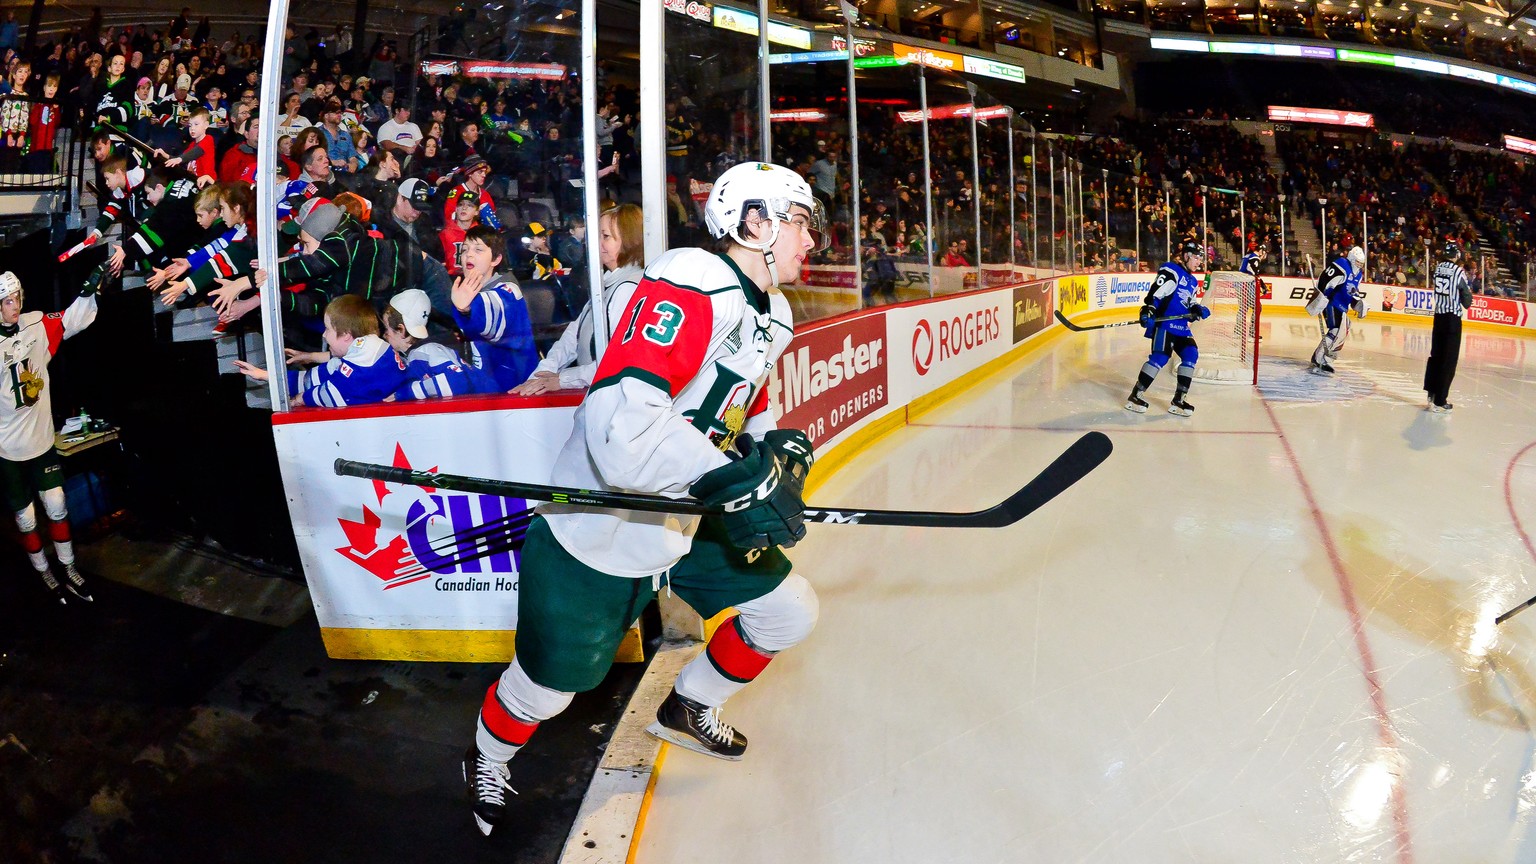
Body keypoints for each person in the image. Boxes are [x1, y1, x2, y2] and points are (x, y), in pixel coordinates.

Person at [462, 161, 825, 836]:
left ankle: (688, 706)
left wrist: (775, 452)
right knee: (547, 691)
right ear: (755, 222)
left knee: (788, 611)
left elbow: (749, 407)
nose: (811, 240)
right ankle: (486, 756)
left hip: (683, 514)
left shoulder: (771, 312)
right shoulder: (694, 278)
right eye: (800, 222)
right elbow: (619, 418)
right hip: (602, 520)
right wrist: (727, 482)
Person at [0, 267, 107, 604]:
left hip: (42, 440)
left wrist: (89, 292)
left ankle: (69, 566)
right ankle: (42, 569)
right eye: (5, 301)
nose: (13, 305)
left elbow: (70, 320)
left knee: (58, 503)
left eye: (16, 297)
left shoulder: (35, 323)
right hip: (7, 447)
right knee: (26, 517)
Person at [511, 203, 644, 396]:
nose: (596, 243)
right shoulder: (610, 282)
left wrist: (563, 379)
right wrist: (544, 372)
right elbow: (576, 333)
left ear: (629, 241)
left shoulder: (629, 289)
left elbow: (620, 362)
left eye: (605, 236)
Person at [234, 294, 407, 407]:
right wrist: (265, 375)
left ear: (346, 335)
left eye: (328, 329)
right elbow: (310, 379)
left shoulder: (368, 352)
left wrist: (303, 398)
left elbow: (335, 394)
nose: (324, 335)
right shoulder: (355, 355)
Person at [1125, 238, 1210, 416]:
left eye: (1200, 259)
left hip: (1181, 327)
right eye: (1196, 258)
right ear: (1186, 256)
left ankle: (1179, 400)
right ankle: (1136, 395)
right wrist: (1148, 310)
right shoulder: (1171, 270)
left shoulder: (1193, 281)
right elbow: (1155, 294)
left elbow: (1190, 301)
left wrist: (1197, 309)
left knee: (1191, 353)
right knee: (1160, 358)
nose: (1199, 262)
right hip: (1165, 324)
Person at [449, 224, 539, 391]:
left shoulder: (509, 290)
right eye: (465, 249)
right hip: (488, 388)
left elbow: (491, 312)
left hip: (515, 391)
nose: (468, 254)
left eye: (478, 250)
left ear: (496, 259)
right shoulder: (464, 291)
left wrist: (466, 309)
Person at [381, 289, 496, 401]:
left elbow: (457, 382)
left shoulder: (426, 351)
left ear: (401, 330)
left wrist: (408, 392)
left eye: (387, 329)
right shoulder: (417, 354)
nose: (384, 335)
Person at [1425, 241, 1472, 413]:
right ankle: (1440, 399)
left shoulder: (1437, 269)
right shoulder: (1458, 271)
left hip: (1438, 317)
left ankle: (1431, 394)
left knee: (1435, 356)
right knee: (1449, 360)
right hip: (1452, 319)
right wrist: (1465, 301)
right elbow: (1466, 297)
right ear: (1456, 255)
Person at [1308, 245, 1367, 375]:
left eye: (1361, 263)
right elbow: (1324, 279)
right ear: (1351, 259)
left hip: (1342, 307)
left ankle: (1322, 357)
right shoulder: (1342, 265)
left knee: (1342, 330)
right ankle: (1321, 358)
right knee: (1337, 330)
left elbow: (1352, 291)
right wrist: (1320, 297)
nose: (1359, 265)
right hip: (1332, 302)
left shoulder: (1359, 275)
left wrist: (1358, 302)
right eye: (1357, 262)